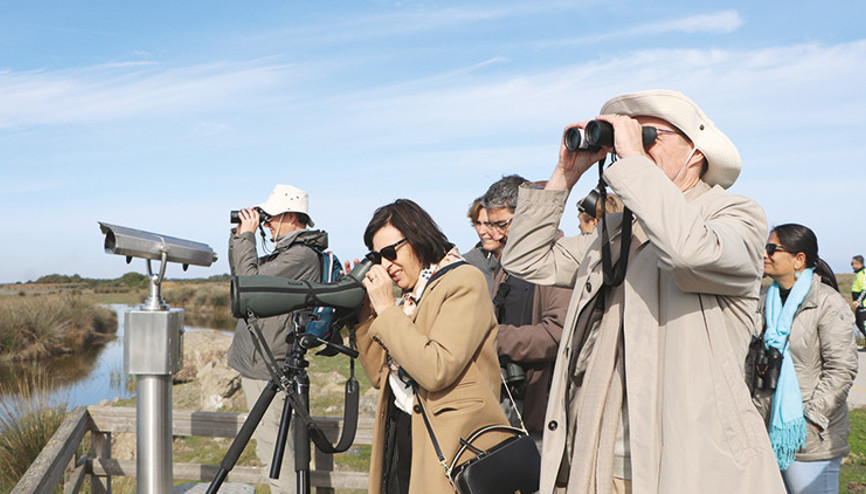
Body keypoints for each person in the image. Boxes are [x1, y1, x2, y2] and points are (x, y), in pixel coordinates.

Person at [501, 89, 785, 493]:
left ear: (697, 151)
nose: (632, 145)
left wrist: (634, 161)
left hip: (692, 460)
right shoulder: (619, 233)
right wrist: (565, 175)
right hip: (604, 456)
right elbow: (528, 260)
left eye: (649, 135)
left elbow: (690, 253)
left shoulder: (735, 214)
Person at [354, 199, 511, 494]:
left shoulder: (464, 282)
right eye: (377, 257)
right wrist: (365, 314)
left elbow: (437, 369)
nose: (386, 265)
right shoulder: (409, 298)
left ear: (417, 238)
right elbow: (378, 374)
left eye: (390, 253)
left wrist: (387, 309)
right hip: (401, 431)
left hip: (451, 444)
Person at [226, 184, 327, 493]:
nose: (266, 222)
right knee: (270, 447)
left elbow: (250, 286)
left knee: (276, 453)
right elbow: (241, 281)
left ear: (292, 215)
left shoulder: (301, 256)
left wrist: (247, 236)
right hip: (260, 366)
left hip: (271, 367)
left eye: (270, 217)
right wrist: (239, 236)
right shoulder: (286, 252)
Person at [756, 224, 857, 494]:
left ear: (798, 259)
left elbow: (841, 370)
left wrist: (810, 421)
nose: (764, 254)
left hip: (811, 439)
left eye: (771, 249)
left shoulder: (826, 301)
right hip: (768, 435)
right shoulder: (763, 300)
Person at [479, 175, 570, 442]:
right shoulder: (506, 265)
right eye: (489, 224)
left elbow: (556, 334)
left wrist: (491, 338)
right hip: (507, 405)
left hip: (544, 414)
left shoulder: (562, 259)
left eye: (501, 224)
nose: (493, 234)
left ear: (527, 216)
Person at [463, 196, 499, 292]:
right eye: (478, 223)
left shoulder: (528, 261)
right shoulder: (466, 264)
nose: (482, 231)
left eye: (488, 223)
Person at [850, 255, 866, 343]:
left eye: (852, 263)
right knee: (859, 323)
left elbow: (865, 289)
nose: (852, 266)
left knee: (862, 324)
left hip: (863, 305)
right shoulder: (859, 274)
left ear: (858, 263)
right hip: (860, 306)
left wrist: (858, 301)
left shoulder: (863, 274)